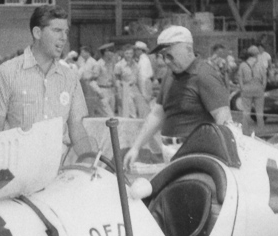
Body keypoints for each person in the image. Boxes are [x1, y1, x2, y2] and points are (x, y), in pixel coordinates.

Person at [0, 5, 95, 160]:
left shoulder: (70, 78)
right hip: (19, 170)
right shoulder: (6, 73)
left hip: (57, 171)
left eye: (66, 31)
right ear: (37, 33)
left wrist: (90, 161)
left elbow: (76, 127)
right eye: (57, 31)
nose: (64, 37)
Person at [123, 25, 232, 167]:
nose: (166, 61)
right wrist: (136, 147)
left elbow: (224, 120)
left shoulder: (204, 75)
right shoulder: (169, 75)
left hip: (196, 154)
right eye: (163, 56)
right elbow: (157, 114)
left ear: (188, 49)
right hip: (171, 152)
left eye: (170, 55)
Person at [237, 45, 267, 135]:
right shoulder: (261, 65)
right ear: (257, 54)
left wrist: (242, 87)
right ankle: (260, 132)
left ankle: (245, 132)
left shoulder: (242, 65)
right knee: (259, 112)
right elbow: (264, 78)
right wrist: (263, 87)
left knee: (246, 111)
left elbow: (239, 77)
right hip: (258, 88)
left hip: (246, 88)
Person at [114, 45, 148, 118]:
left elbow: (139, 79)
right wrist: (119, 93)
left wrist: (143, 92)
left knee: (142, 108)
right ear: (123, 53)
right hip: (125, 88)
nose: (129, 55)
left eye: (130, 53)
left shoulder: (136, 64)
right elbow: (117, 80)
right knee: (130, 110)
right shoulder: (119, 65)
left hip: (135, 88)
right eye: (127, 53)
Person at [94, 42, 118, 117]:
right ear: (105, 52)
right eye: (111, 51)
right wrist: (99, 91)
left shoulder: (111, 63)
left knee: (111, 115)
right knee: (109, 116)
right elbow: (92, 81)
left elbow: (112, 76)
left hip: (111, 90)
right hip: (102, 90)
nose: (113, 54)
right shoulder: (98, 64)